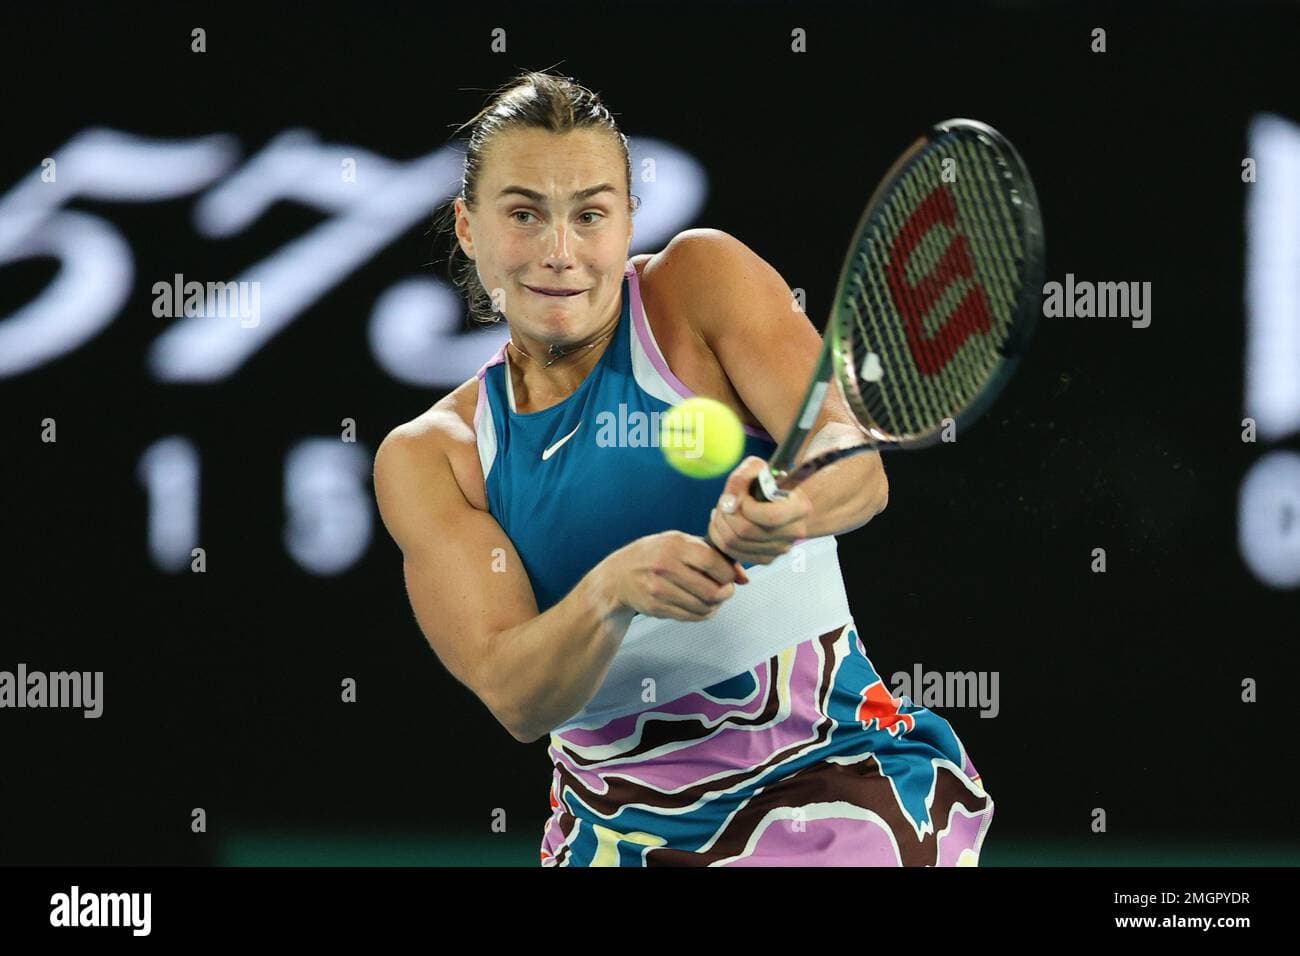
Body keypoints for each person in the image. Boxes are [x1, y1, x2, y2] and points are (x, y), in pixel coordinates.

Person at [373, 70, 994, 866]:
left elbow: (855, 464)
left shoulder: (700, 283)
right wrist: (611, 592)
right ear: (469, 228)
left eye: (591, 214)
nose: (559, 252)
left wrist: (788, 509)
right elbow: (516, 694)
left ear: (630, 218)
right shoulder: (433, 455)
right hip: (614, 836)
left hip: (834, 776)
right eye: (524, 214)